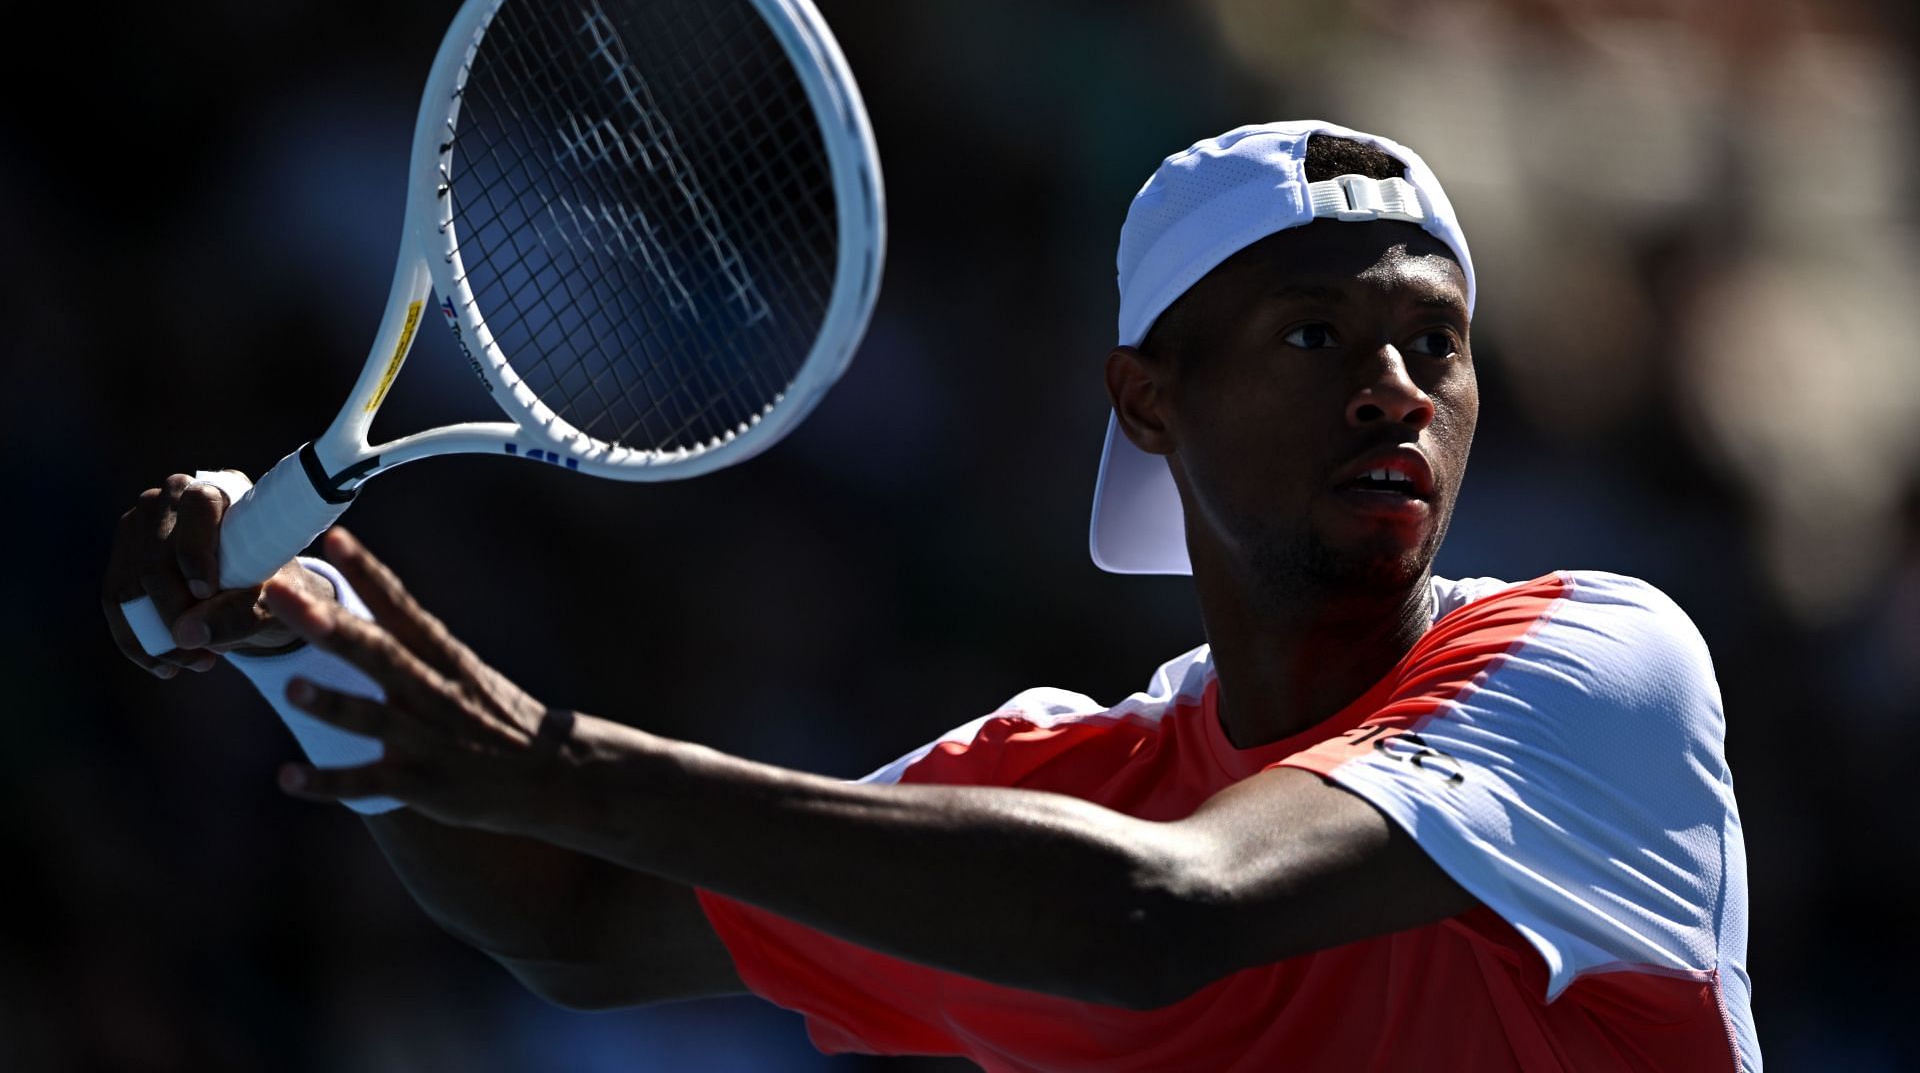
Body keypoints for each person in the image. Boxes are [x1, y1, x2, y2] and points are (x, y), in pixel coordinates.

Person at [102, 121, 1759, 1071]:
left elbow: (1157, 914)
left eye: (1437, 347)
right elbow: (580, 923)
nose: (1400, 389)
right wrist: (298, 639)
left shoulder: (1599, 669)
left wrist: (553, 762)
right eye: (1319, 337)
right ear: (1147, 401)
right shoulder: (1049, 781)